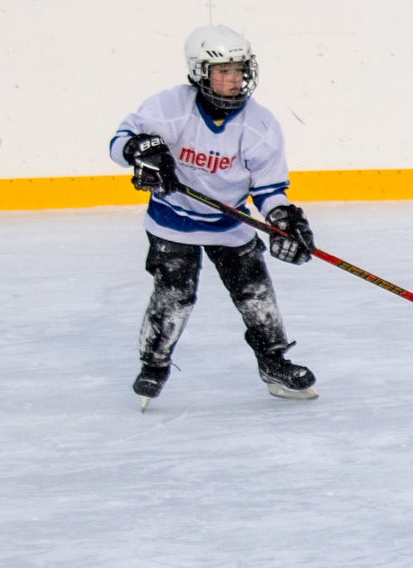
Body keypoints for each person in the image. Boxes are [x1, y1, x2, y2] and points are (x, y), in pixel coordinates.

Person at [111, 26, 317, 403]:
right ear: (199, 72)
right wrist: (139, 151)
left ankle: (273, 361)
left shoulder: (260, 124)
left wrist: (284, 220)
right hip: (172, 221)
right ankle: (154, 366)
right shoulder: (171, 107)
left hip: (230, 225)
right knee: (175, 295)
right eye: (223, 72)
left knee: (256, 294)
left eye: (238, 70)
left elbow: (269, 191)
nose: (233, 80)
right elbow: (120, 141)